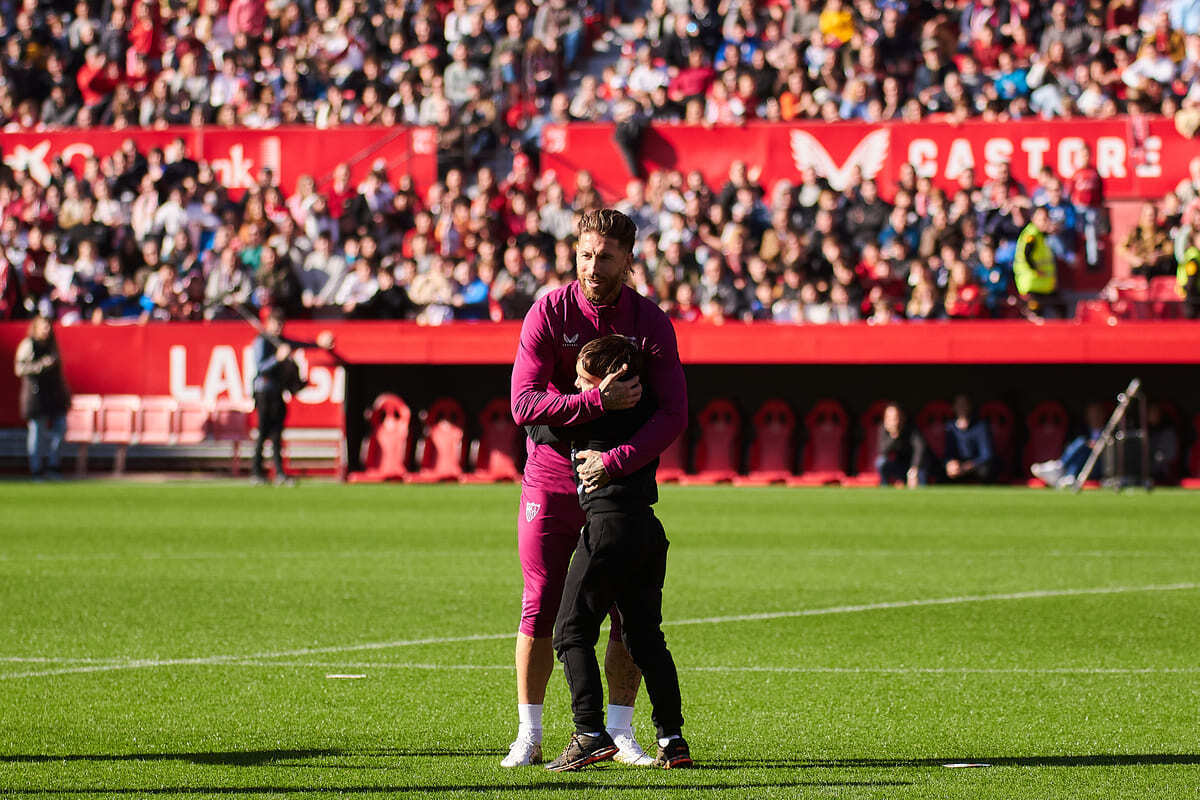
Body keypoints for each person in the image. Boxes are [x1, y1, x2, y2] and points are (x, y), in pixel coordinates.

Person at [506, 209, 687, 768]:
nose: (592, 266)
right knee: (541, 604)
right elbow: (523, 403)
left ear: (628, 258)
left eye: (605, 256)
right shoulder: (548, 310)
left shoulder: (651, 322)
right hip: (552, 472)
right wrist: (593, 402)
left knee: (623, 611)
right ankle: (529, 732)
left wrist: (617, 460)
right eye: (585, 254)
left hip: (618, 482)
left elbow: (674, 413)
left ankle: (620, 731)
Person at [524, 335, 691, 771]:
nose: (578, 389)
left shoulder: (583, 416)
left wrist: (593, 400)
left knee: (569, 631)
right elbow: (669, 411)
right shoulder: (650, 411)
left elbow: (531, 417)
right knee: (646, 639)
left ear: (611, 382)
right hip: (648, 533)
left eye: (584, 380)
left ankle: (589, 733)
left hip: (606, 530)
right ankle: (672, 739)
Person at [250, 310, 334, 486]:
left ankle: (279, 472)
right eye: (276, 323)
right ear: (268, 323)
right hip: (264, 391)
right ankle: (256, 471)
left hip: (278, 392)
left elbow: (300, 344)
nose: (279, 327)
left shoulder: (282, 342)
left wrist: (319, 344)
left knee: (277, 435)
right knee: (263, 432)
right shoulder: (262, 341)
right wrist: (277, 358)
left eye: (281, 324)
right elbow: (259, 368)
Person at [14, 316, 71, 480]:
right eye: (43, 327)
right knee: (37, 431)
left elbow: (59, 372)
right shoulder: (29, 344)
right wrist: (41, 366)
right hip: (35, 395)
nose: (46, 330)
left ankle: (54, 465)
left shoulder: (52, 345)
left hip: (54, 394)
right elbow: (19, 368)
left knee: (60, 428)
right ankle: (36, 468)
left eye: (48, 327)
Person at [1030, 402, 1107, 489]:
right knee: (1081, 444)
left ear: (1103, 414)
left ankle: (1060, 467)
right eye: (1092, 413)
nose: (1095, 416)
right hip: (1083, 463)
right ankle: (1068, 474)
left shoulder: (1109, 431)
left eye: (1097, 413)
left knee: (1082, 444)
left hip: (1098, 465)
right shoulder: (1081, 431)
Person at [1013, 207, 1061, 319]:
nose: (1045, 222)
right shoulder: (1032, 234)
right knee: (1034, 315)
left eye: (1046, 219)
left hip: (1043, 284)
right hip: (1032, 282)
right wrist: (1036, 270)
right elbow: (1026, 254)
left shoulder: (1040, 235)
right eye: (1042, 219)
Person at [942, 394, 994, 483]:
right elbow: (947, 453)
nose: (961, 407)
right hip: (957, 467)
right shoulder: (949, 428)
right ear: (953, 407)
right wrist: (950, 463)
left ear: (970, 407)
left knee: (986, 470)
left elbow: (986, 455)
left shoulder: (981, 427)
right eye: (959, 404)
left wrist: (967, 467)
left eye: (964, 404)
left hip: (975, 466)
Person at [875, 403, 927, 488]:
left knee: (921, 475)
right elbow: (882, 451)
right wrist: (893, 436)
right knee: (880, 462)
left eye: (895, 418)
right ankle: (884, 488)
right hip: (897, 465)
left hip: (913, 464)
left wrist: (914, 469)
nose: (893, 421)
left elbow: (920, 448)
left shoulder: (911, 429)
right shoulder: (883, 429)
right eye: (889, 418)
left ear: (902, 417)